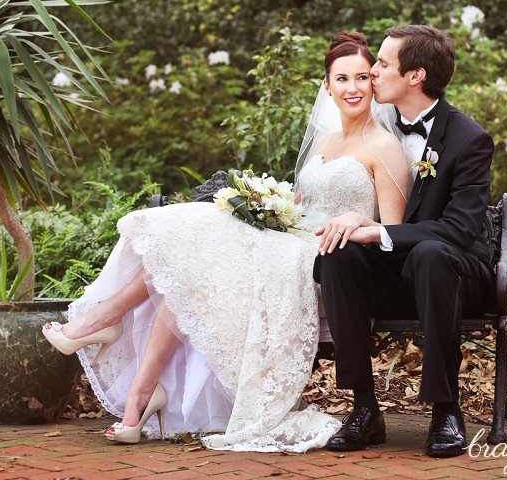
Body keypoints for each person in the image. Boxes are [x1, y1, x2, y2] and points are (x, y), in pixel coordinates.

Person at [42, 31, 411, 452]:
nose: (352, 88)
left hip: (327, 262)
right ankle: (138, 396)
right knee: (192, 261)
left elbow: (392, 231)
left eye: (362, 78)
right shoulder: (325, 143)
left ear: (374, 83)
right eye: (341, 79)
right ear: (326, 86)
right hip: (290, 242)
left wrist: (356, 218)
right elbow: (302, 205)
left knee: (195, 258)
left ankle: (106, 333)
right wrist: (266, 205)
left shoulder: (383, 146)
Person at [314, 24, 495, 457]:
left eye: (381, 63)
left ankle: (446, 409)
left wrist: (381, 231)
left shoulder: (470, 139)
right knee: (338, 257)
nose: (371, 72)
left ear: (414, 76)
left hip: (454, 273)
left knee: (432, 255)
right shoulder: (376, 123)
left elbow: (460, 230)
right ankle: (363, 407)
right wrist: (358, 221)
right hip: (397, 272)